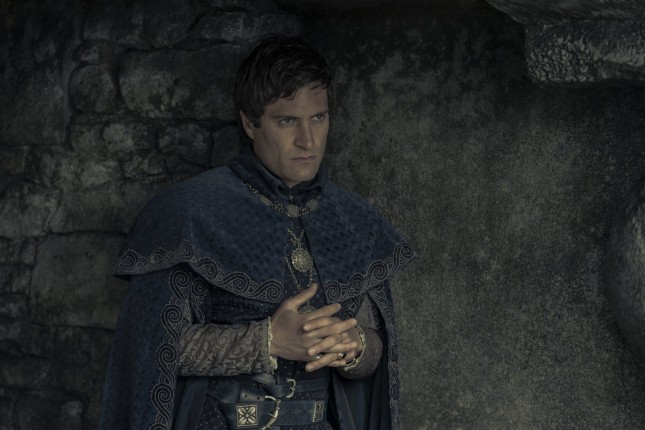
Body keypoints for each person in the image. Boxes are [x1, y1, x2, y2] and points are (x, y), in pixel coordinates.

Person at [99, 36, 414, 430]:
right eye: (287, 121)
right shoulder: (188, 213)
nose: (308, 140)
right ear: (250, 122)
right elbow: (153, 349)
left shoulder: (356, 220)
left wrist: (355, 348)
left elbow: (374, 350)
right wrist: (266, 341)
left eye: (318, 118)